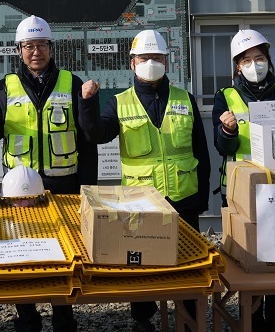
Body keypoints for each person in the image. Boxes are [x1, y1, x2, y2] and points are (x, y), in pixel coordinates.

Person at [0, 15, 100, 332]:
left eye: (41, 45)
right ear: (19, 50)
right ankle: (28, 316)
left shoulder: (72, 83)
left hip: (65, 186)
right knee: (24, 255)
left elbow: (88, 139)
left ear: (51, 48)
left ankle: (63, 316)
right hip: (20, 191)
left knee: (64, 254)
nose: (36, 52)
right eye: (29, 46)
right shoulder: (4, 87)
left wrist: (88, 188)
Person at [93, 29, 210, 332]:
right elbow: (99, 134)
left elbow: (201, 150)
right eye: (144, 57)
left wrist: (203, 198)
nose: (151, 62)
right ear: (132, 63)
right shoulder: (119, 102)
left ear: (167, 62)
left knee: (187, 267)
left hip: (184, 199)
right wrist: (86, 105)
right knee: (141, 266)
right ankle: (142, 321)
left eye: (157, 57)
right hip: (141, 203)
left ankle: (189, 322)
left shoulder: (185, 99)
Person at [213, 29, 275, 332]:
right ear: (237, 65)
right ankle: (253, 319)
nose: (255, 64)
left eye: (260, 58)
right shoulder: (226, 96)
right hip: (240, 193)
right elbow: (223, 148)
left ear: (268, 60)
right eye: (247, 60)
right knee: (249, 258)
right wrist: (228, 131)